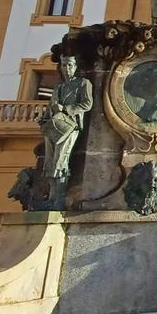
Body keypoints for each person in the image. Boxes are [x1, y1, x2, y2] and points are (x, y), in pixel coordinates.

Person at [38, 55, 93, 206]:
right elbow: (51, 106)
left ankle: (60, 198)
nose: (67, 68)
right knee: (49, 161)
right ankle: (52, 195)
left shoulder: (83, 83)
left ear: (75, 67)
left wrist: (67, 109)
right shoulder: (59, 87)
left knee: (61, 159)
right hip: (53, 125)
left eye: (70, 65)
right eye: (64, 65)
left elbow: (87, 104)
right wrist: (45, 116)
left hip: (70, 125)